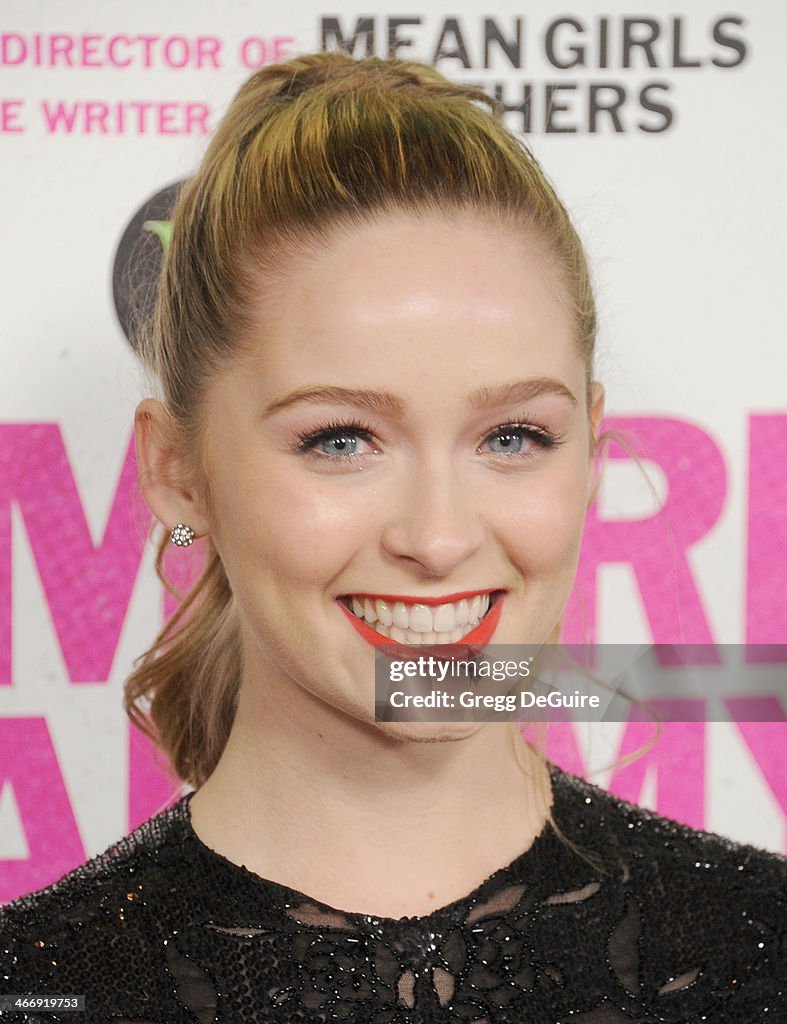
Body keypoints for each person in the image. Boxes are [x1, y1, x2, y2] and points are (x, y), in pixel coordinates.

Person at [1, 49, 785, 1024]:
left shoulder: (760, 951)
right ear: (176, 470)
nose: (439, 536)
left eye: (513, 436)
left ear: (588, 448)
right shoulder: (36, 989)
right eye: (341, 438)